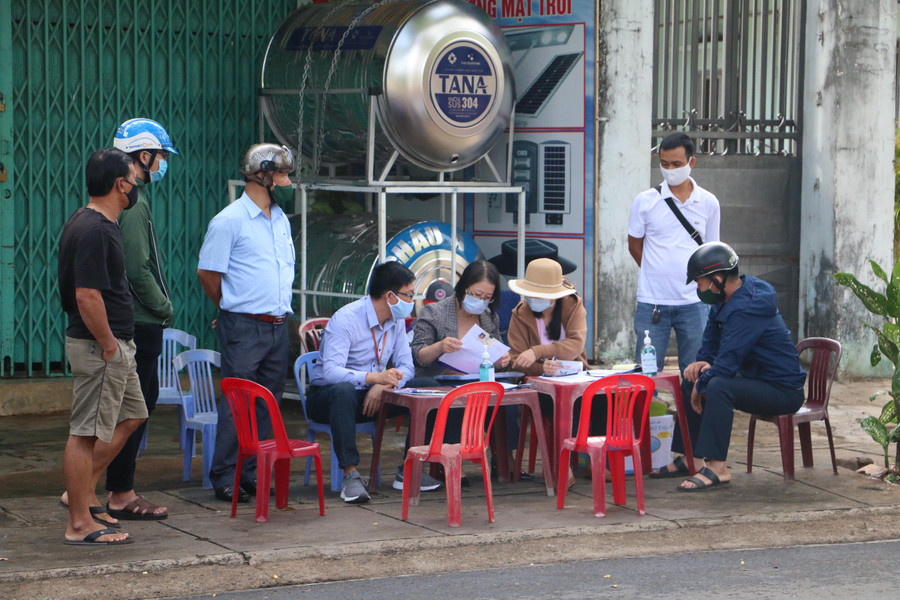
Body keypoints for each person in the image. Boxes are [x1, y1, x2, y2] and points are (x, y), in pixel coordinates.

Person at [57, 148, 148, 545]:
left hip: (114, 347)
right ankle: (79, 523)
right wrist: (110, 345)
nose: (138, 185)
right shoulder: (93, 229)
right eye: (135, 179)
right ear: (120, 184)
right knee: (86, 433)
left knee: (132, 416)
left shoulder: (96, 222)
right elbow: (86, 296)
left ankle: (80, 494)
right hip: (101, 349)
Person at [197, 143, 296, 503]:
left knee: (267, 402)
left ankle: (253, 471)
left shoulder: (281, 219)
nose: (286, 181)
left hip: (277, 324)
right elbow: (208, 273)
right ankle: (224, 474)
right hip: (243, 324)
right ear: (262, 175)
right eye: (281, 173)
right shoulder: (229, 221)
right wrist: (228, 306)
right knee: (237, 401)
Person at [673, 242, 806, 491]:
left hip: (782, 391)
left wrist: (704, 382)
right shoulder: (725, 299)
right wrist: (700, 367)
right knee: (692, 376)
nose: (698, 289)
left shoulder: (749, 306)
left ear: (717, 278)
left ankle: (717, 467)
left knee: (718, 385)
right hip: (754, 380)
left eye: (700, 282)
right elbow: (710, 349)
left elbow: (727, 362)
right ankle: (689, 457)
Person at [306, 261, 441, 503]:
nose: (412, 301)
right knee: (343, 391)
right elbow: (331, 373)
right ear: (390, 296)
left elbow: (407, 366)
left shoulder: (396, 321)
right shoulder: (346, 319)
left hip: (374, 394)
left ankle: (410, 467)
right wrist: (373, 378)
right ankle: (350, 475)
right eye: (409, 295)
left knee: (430, 385)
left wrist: (384, 385)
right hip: (327, 397)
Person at [628, 132, 721, 477]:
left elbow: (712, 252)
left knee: (696, 379)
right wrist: (656, 274)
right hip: (651, 305)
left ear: (691, 162)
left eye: (677, 164)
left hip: (694, 305)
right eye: (664, 164)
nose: (670, 170)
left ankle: (692, 454)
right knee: (644, 380)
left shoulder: (708, 202)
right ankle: (638, 452)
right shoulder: (645, 201)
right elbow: (634, 244)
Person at [98, 118, 177, 521]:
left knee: (135, 411)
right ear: (143, 157)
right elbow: (135, 268)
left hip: (140, 320)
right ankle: (118, 492)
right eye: (160, 156)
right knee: (133, 412)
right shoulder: (134, 203)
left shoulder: (135, 200)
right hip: (141, 320)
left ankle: (112, 488)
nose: (163, 164)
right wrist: (164, 307)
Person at [409, 260, 510, 486]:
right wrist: (440, 347)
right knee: (453, 397)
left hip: (476, 381)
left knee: (506, 397)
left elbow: (496, 352)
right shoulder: (435, 312)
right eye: (476, 295)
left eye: (487, 298)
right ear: (464, 287)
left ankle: (503, 461)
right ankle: (454, 462)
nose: (481, 301)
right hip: (440, 379)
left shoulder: (488, 318)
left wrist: (503, 360)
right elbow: (417, 356)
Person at [507, 258, 588, 487]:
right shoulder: (520, 313)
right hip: (539, 385)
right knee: (558, 404)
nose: (535, 300)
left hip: (575, 378)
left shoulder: (573, 306)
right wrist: (540, 367)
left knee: (596, 400)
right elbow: (516, 358)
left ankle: (589, 460)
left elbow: (575, 346)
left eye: (540, 295)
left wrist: (537, 351)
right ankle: (563, 464)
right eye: (531, 294)